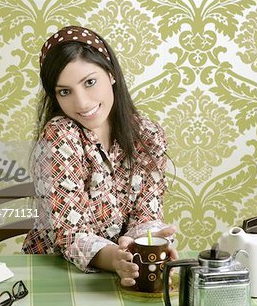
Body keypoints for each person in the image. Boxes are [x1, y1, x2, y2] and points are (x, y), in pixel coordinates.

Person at [22, 25, 178, 287]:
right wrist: (117, 258)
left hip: (120, 272)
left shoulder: (148, 134)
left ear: (111, 74)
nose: (82, 103)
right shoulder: (60, 136)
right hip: (52, 274)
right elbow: (69, 233)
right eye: (65, 91)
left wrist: (150, 247)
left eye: (90, 82)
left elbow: (146, 215)